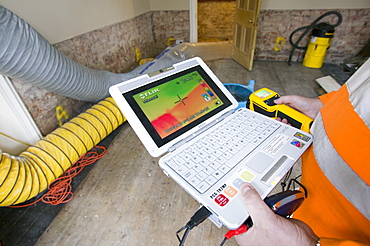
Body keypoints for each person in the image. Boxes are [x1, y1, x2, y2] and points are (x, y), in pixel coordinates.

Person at [235, 58, 370, 246]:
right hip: (309, 205)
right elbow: (358, 93)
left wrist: (304, 244)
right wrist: (324, 106)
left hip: (338, 234)